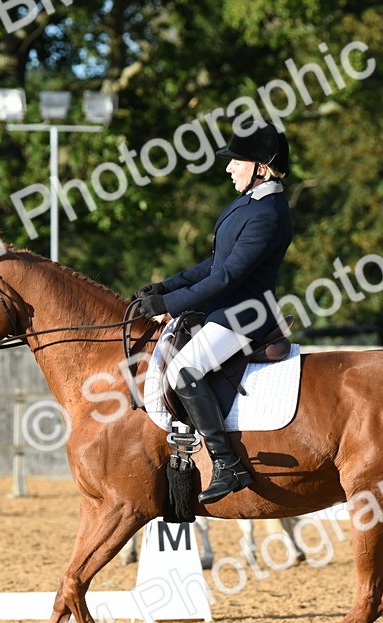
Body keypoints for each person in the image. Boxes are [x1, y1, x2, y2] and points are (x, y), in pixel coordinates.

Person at [134, 122, 293, 503]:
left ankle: (227, 463)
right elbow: (213, 263)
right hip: (225, 308)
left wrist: (171, 305)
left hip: (245, 315)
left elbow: (227, 276)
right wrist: (165, 287)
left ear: (260, 167)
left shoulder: (269, 213)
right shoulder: (249, 203)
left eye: (236, 161)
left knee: (184, 371)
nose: (228, 168)